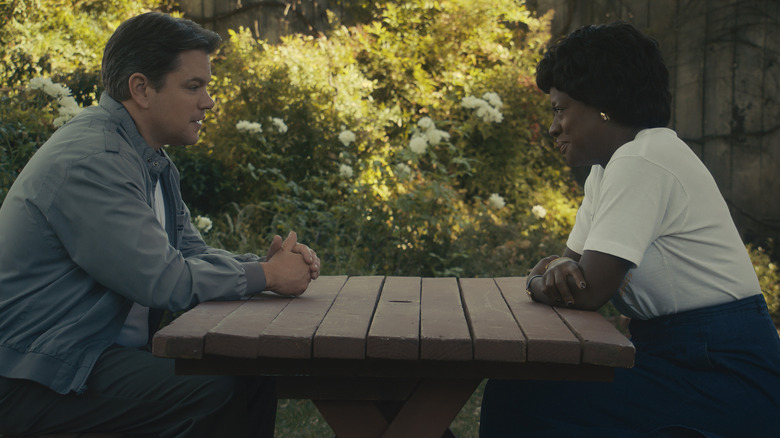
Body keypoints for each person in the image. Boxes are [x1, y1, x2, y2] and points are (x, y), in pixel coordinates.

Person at [0, 12, 320, 437]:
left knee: (250, 375)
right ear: (141, 88)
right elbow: (165, 281)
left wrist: (262, 265)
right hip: (35, 375)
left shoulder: (149, 160)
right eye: (194, 87)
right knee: (216, 388)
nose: (208, 101)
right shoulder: (95, 162)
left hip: (89, 358)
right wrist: (266, 276)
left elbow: (189, 255)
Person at [479, 22, 780, 437]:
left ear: (603, 105)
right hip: (679, 359)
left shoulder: (643, 159)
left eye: (560, 109)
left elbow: (583, 292)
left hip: (723, 373)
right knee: (527, 392)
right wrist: (549, 275)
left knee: (523, 397)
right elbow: (568, 273)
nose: (553, 127)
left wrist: (539, 279)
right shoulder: (608, 169)